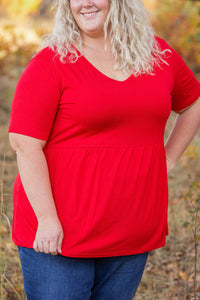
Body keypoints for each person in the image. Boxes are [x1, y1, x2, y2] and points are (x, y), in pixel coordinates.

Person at [8, 0, 200, 299]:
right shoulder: (51, 62)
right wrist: (46, 219)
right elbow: (25, 144)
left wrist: (168, 159)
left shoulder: (156, 55)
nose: (84, 3)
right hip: (61, 233)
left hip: (132, 226)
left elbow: (192, 104)